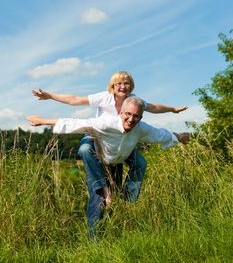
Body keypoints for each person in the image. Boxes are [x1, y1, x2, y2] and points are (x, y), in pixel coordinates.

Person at [27, 96, 189, 235]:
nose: (131, 119)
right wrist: (43, 121)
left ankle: (125, 208)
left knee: (117, 197)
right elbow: (76, 123)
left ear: (141, 117)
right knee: (100, 199)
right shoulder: (106, 123)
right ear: (120, 113)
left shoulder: (141, 128)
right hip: (98, 163)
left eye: (136, 116)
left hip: (116, 162)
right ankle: (94, 240)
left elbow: (161, 134)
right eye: (128, 114)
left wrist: (179, 137)